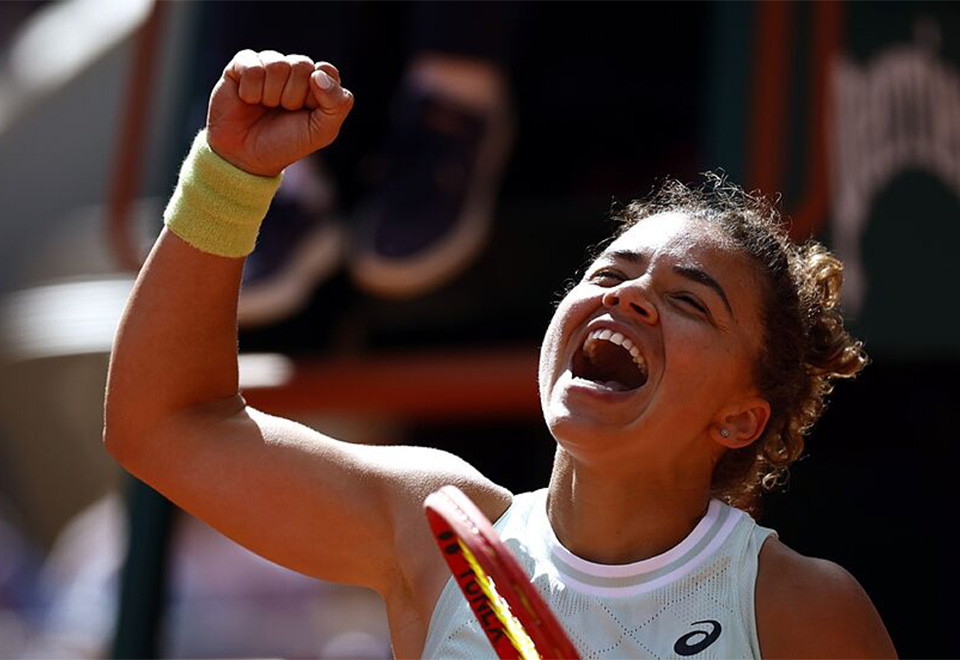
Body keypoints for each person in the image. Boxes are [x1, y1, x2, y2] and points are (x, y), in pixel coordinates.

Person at [104, 50, 897, 658]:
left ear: (740, 418)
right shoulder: (430, 525)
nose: (627, 298)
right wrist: (230, 174)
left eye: (689, 300)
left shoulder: (801, 610)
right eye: (608, 274)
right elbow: (161, 422)